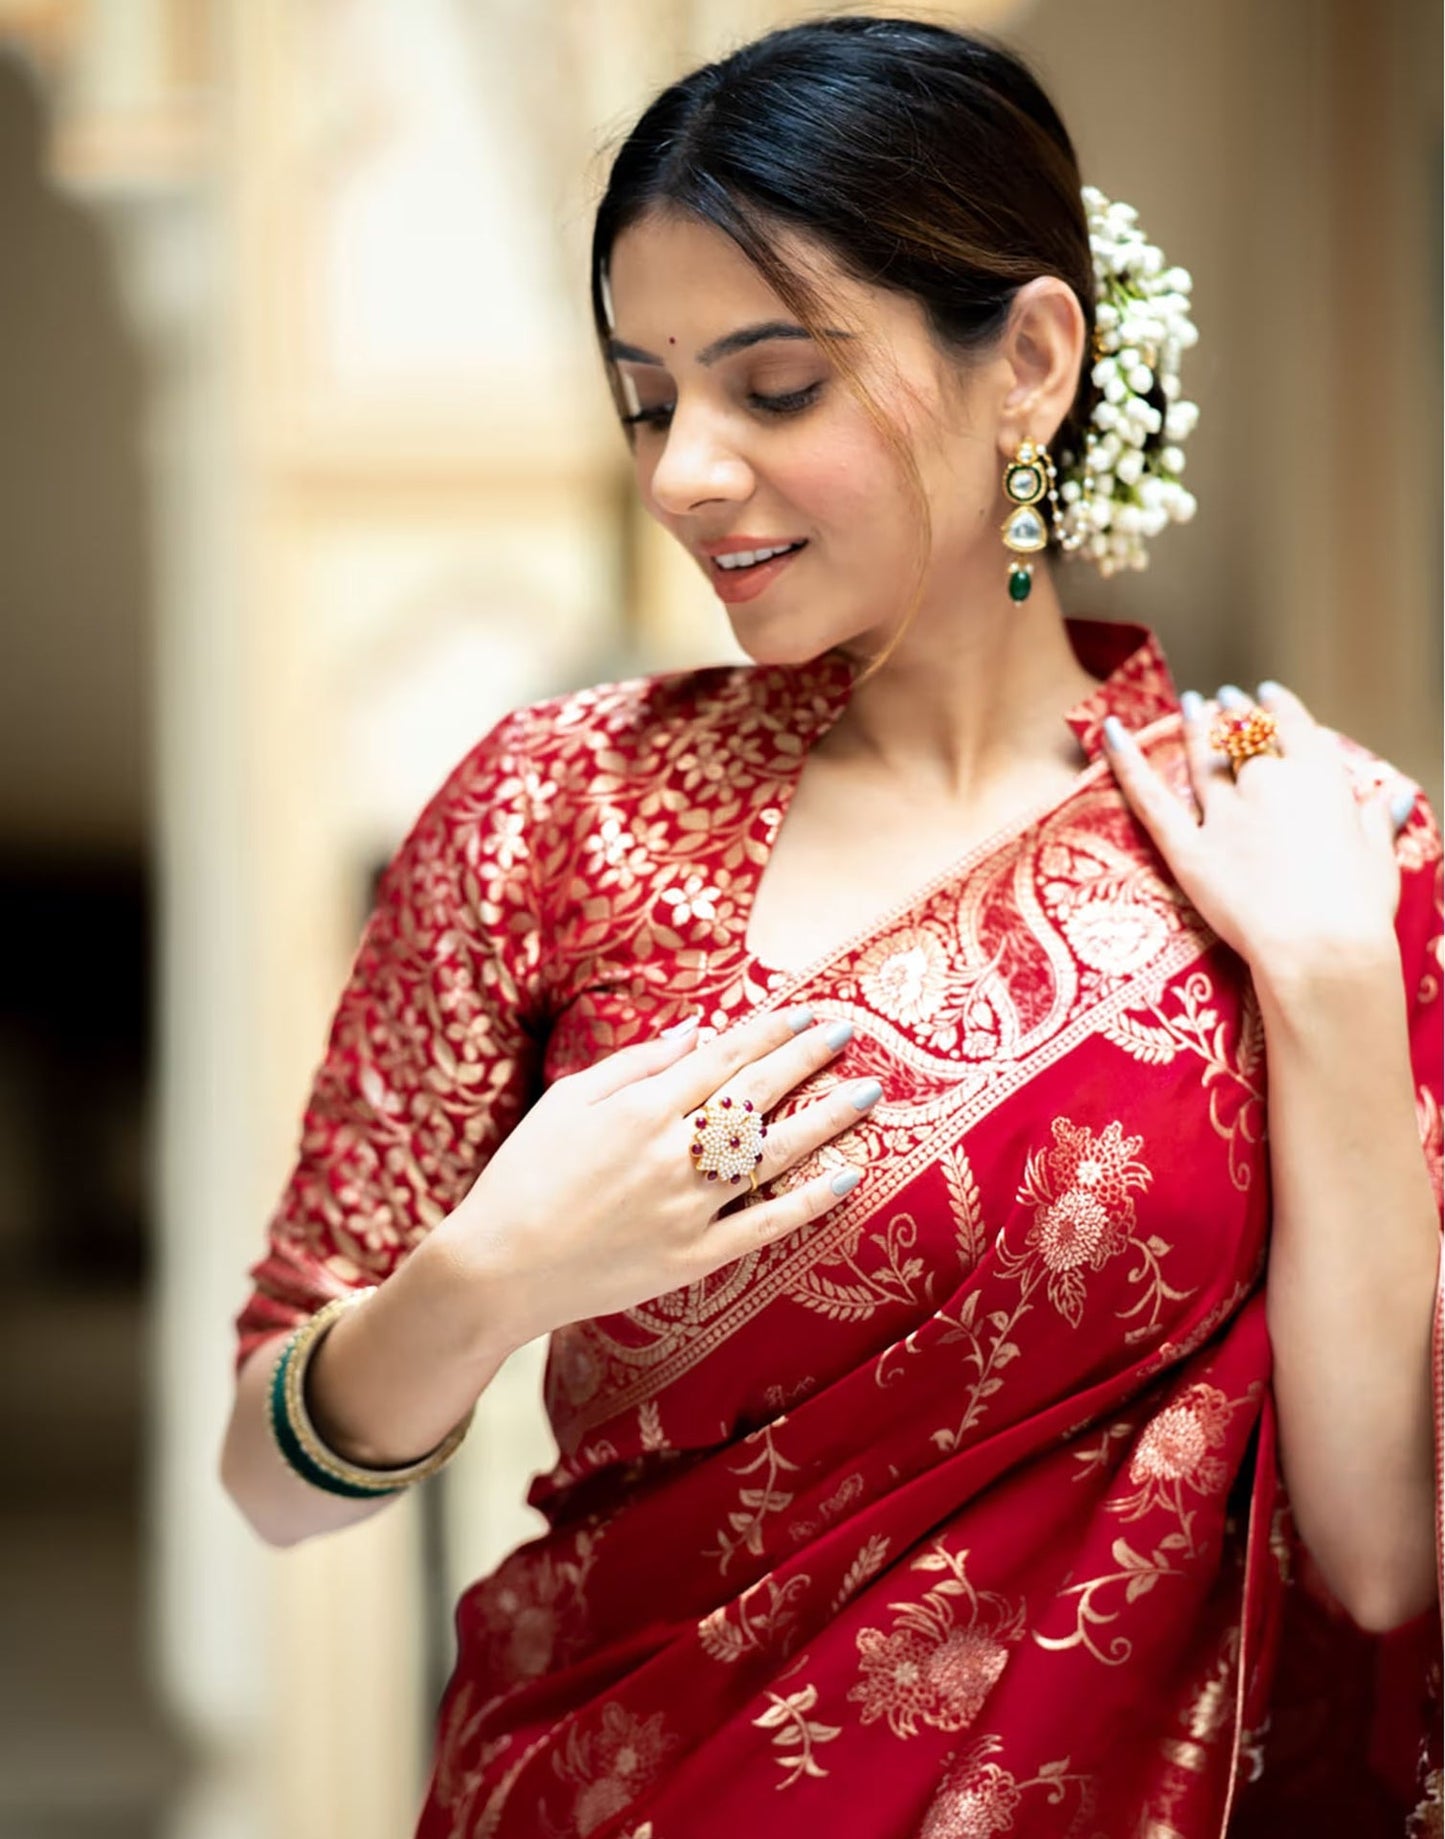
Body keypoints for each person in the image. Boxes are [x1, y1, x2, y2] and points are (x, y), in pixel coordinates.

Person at [220, 16, 1443, 1836]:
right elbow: (275, 1477)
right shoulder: (555, 808)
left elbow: (1378, 1565)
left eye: (770, 387)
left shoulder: (1308, 850)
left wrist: (1334, 990)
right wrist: (485, 1285)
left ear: (1027, 361)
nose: (682, 475)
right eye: (647, 399)